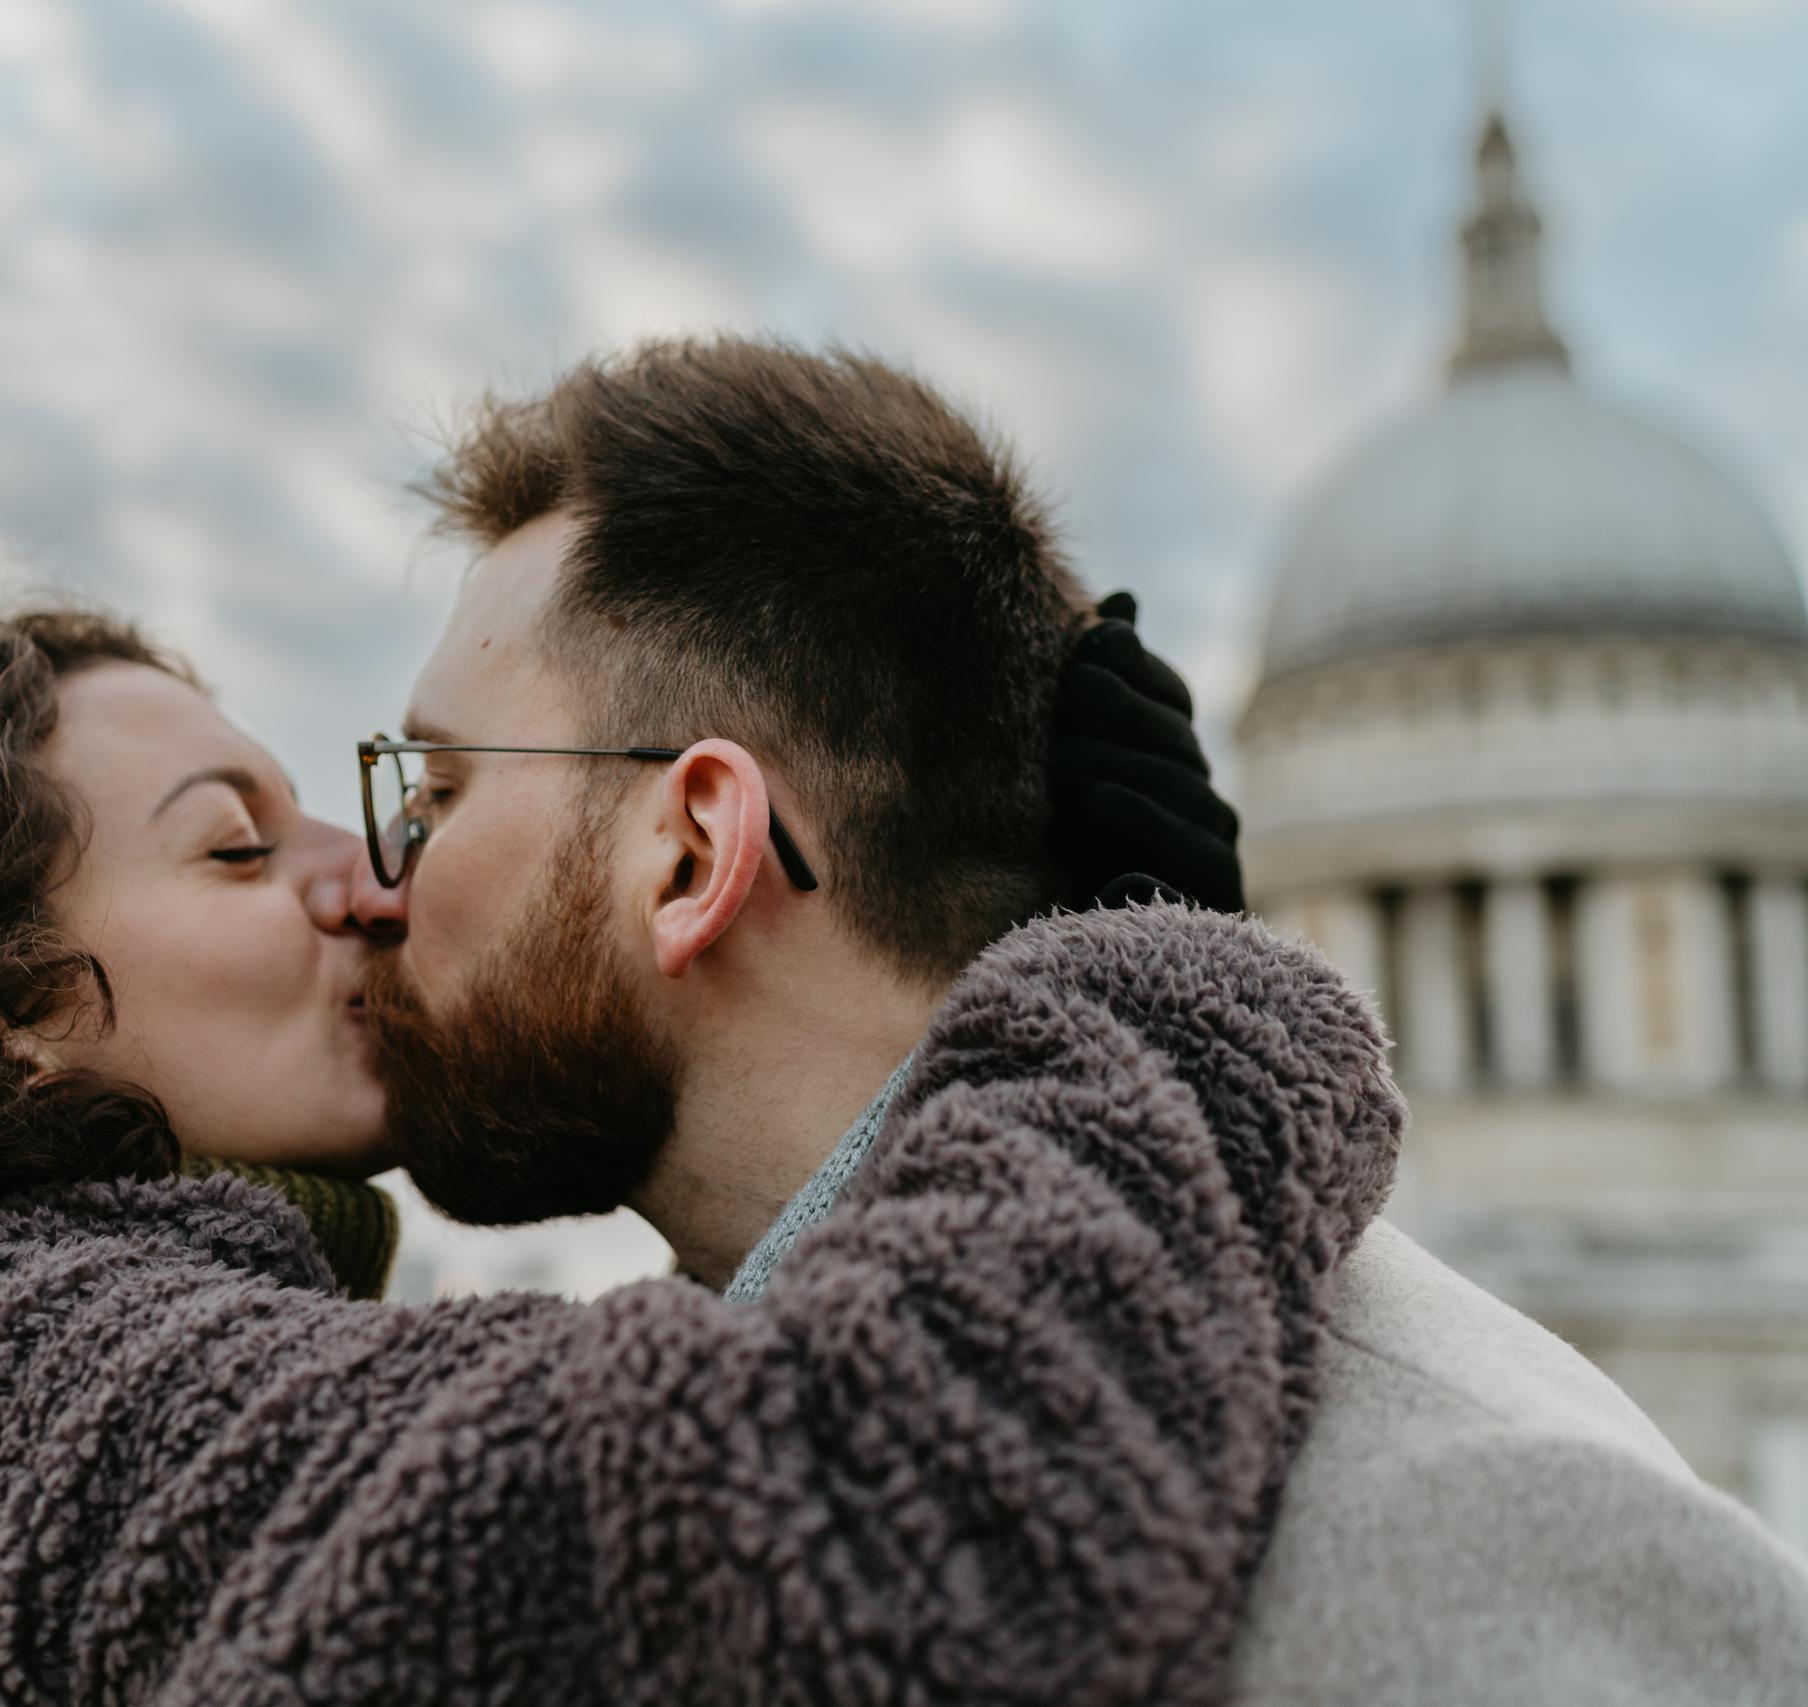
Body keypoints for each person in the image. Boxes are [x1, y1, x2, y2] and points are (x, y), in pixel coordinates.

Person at [0, 591, 1397, 1701]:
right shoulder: (21, 1384)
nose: (371, 878)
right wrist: (1142, 980)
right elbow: (907, 1530)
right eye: (227, 839)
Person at [366, 336, 1808, 1704]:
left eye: (434, 795)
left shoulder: (1494, 1550)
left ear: (689, 852)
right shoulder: (691, 1429)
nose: (373, 893)